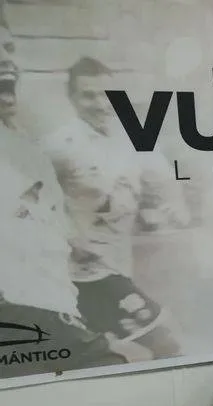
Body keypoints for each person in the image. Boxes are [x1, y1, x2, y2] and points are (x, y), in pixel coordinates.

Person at [0, 26, 129, 378]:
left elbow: (47, 225)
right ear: (72, 98)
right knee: (114, 368)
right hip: (28, 321)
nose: (5, 58)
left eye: (8, 46)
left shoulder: (25, 148)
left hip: (66, 303)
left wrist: (78, 244)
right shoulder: (57, 146)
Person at [43, 56, 190, 360]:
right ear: (72, 98)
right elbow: (26, 200)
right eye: (88, 95)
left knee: (107, 358)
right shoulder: (59, 145)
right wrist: (69, 236)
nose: (100, 104)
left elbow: (162, 180)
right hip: (86, 274)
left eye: (106, 94)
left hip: (118, 267)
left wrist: (173, 205)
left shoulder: (131, 138)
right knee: (167, 342)